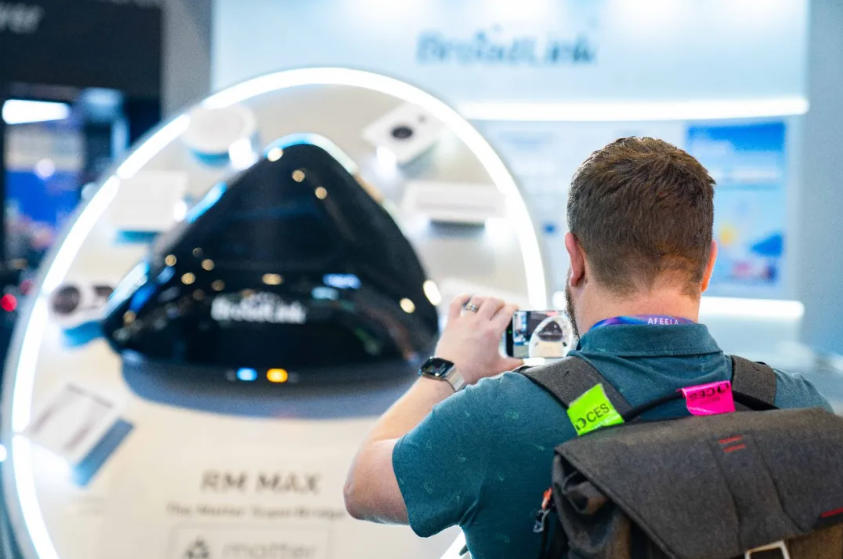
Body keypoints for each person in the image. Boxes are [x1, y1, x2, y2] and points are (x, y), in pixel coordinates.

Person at [343, 137, 831, 559]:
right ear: (707, 266)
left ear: (575, 259)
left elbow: (362, 486)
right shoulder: (797, 408)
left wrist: (447, 369)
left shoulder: (495, 418)